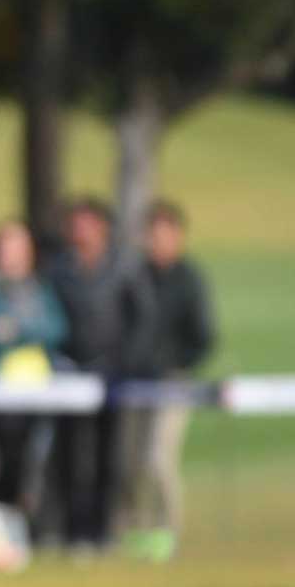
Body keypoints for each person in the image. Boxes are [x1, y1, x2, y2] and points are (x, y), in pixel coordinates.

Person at [45, 198, 154, 549]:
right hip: (68, 375)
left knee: (109, 456)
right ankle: (71, 531)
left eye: (88, 223)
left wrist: (125, 362)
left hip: (112, 376)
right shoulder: (58, 269)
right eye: (75, 224)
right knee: (69, 456)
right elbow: (50, 318)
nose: (81, 231)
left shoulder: (124, 266)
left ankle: (103, 530)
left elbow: (142, 318)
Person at [120, 201, 214, 560]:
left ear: (178, 237)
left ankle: (168, 532)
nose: (156, 241)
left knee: (159, 458)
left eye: (163, 234)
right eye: (151, 234)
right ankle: (136, 531)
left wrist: (174, 363)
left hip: (173, 381)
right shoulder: (136, 276)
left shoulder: (190, 280)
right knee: (131, 461)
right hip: (135, 381)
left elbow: (203, 336)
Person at [0, 221, 67, 522]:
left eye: (20, 248)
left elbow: (55, 330)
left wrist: (14, 328)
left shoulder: (39, 289)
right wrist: (26, 329)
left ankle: (16, 526)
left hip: (33, 396)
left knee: (26, 466)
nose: (13, 255)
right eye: (7, 247)